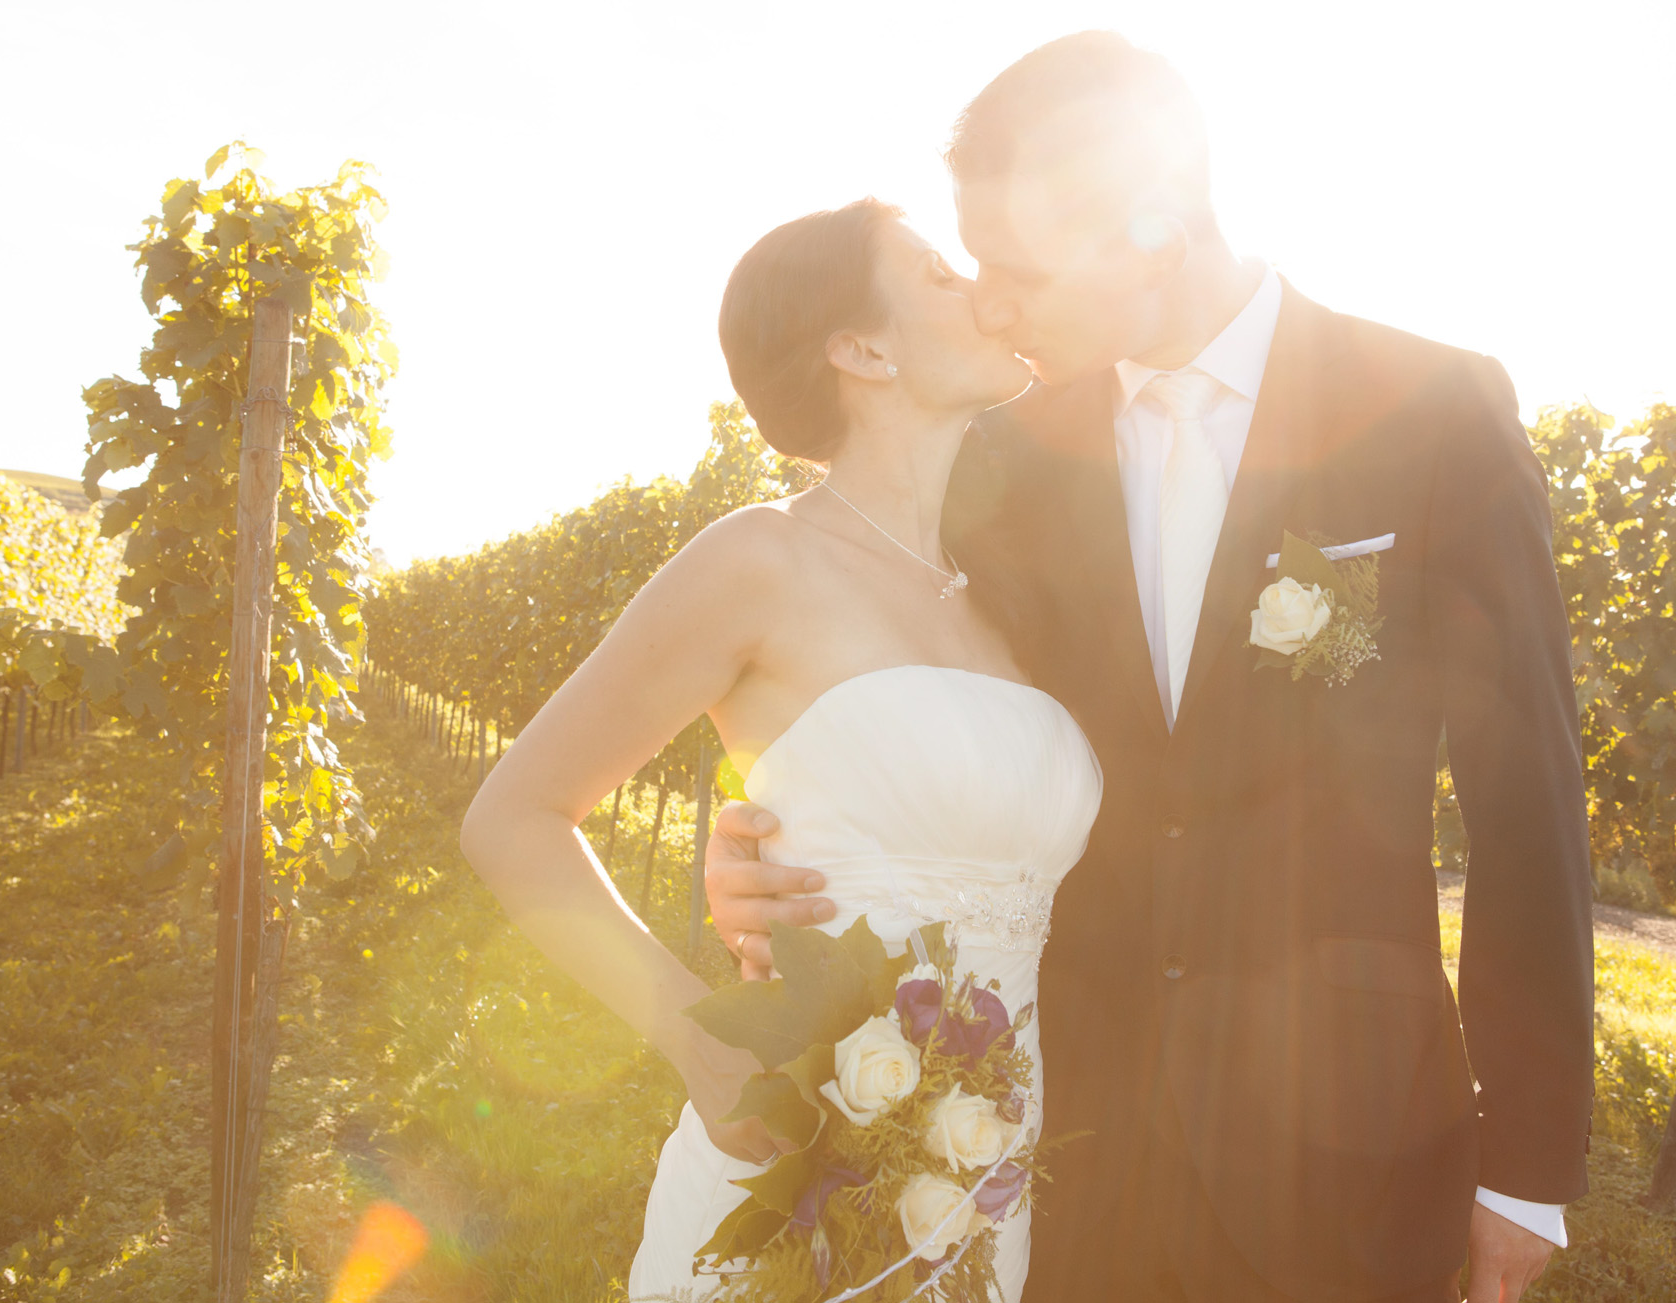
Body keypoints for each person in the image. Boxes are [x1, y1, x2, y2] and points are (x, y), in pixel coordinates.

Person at [706, 33, 1595, 1303]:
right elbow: (877, 675)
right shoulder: (997, 467)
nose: (991, 305)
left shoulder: (1433, 412)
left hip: (1346, 1157)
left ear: (1147, 233)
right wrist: (752, 835)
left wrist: (1522, 1167)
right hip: (1062, 1144)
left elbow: (1529, 807)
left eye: (1013, 270)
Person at [459, 197, 1103, 1302]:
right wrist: (699, 1048)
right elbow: (512, 817)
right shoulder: (760, 557)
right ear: (860, 347)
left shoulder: (1000, 595)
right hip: (804, 1159)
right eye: (937, 275)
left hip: (984, 1169)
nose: (978, 289)